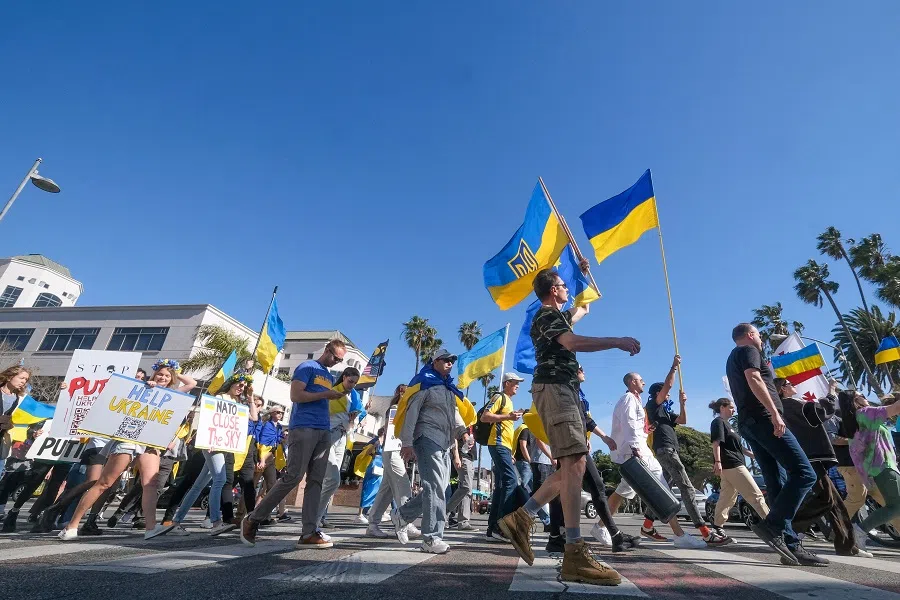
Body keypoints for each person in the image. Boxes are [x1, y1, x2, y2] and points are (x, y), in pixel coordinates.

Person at [498, 267, 640, 586]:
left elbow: (584, 307)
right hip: (556, 389)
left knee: (571, 468)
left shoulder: (558, 315)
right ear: (552, 291)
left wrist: (584, 274)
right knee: (574, 465)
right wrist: (616, 340)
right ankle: (573, 551)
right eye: (563, 286)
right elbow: (572, 341)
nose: (566, 290)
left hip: (564, 391)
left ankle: (522, 518)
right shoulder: (546, 315)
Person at [57, 360, 196, 541]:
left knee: (151, 485)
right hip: (129, 438)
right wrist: (148, 385)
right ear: (153, 374)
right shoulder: (139, 387)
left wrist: (174, 370)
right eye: (160, 374)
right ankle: (72, 525)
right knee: (105, 483)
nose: (163, 377)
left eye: (167, 376)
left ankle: (150, 528)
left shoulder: (172, 394)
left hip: (151, 442)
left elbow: (191, 383)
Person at [726, 323, 822, 566]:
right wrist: (774, 413)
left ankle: (789, 545)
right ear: (749, 335)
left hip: (751, 423)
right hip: (764, 420)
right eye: (758, 334)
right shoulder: (748, 351)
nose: (761, 338)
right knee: (804, 473)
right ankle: (773, 525)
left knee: (776, 483)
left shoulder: (734, 356)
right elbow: (754, 377)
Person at [240, 339, 348, 549]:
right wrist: (326, 394)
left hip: (323, 429)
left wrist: (334, 395)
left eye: (340, 360)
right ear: (326, 350)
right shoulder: (306, 367)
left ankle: (309, 531)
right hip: (303, 427)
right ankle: (253, 519)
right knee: (293, 477)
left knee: (316, 481)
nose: (336, 362)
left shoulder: (328, 375)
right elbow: (296, 395)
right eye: (335, 357)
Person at [605, 372, 708, 549]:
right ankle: (679, 535)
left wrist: (646, 432)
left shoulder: (635, 400)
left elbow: (635, 428)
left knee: (626, 490)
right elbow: (629, 425)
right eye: (640, 380)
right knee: (662, 491)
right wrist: (635, 448)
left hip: (638, 449)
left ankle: (601, 526)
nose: (643, 382)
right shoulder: (629, 399)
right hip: (637, 452)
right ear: (632, 382)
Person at [548, 365, 640, 554]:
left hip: (577, 442)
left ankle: (556, 537)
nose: (584, 372)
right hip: (571, 443)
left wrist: (603, 438)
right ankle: (615, 536)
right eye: (580, 369)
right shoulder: (567, 390)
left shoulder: (576, 392)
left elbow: (585, 420)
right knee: (595, 486)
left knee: (561, 488)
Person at [775, 378, 869, 558]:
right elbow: (821, 412)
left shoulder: (786, 405)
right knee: (827, 499)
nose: (794, 386)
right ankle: (784, 527)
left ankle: (846, 546)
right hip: (812, 457)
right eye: (789, 384)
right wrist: (831, 390)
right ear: (782, 389)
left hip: (810, 457)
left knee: (835, 503)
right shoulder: (791, 404)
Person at [644, 357, 731, 545]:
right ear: (658, 394)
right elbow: (668, 386)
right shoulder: (654, 406)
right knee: (686, 488)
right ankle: (705, 531)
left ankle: (647, 525)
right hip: (666, 450)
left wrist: (683, 403)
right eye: (665, 394)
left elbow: (682, 420)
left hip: (668, 450)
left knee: (662, 490)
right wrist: (674, 368)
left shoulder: (665, 412)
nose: (668, 396)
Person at [390, 349, 466, 554]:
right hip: (426, 436)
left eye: (452, 360)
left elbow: (454, 414)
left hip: (445, 441)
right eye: (446, 360)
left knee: (441, 488)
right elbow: (412, 413)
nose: (450, 363)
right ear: (435, 362)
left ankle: (402, 515)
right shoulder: (424, 382)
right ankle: (431, 538)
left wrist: (463, 432)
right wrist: (407, 442)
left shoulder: (448, 387)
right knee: (435, 487)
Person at [163, 372, 256, 537]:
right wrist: (209, 440)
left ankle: (176, 522)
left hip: (225, 445)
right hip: (212, 444)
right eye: (239, 384)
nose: (241, 388)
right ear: (231, 383)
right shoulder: (220, 397)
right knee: (219, 480)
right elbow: (210, 418)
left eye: (244, 386)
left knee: (198, 486)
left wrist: (250, 397)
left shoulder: (239, 403)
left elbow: (254, 417)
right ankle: (215, 522)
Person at [838, 389, 900, 543]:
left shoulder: (856, 420)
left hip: (880, 468)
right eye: (862, 396)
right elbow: (896, 409)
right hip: (884, 467)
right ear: (855, 402)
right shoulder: (865, 412)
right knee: (895, 506)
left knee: (894, 506)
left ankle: (859, 531)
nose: (866, 398)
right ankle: (860, 531)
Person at [708, 397, 768, 535]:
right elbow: (716, 443)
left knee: (727, 497)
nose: (733, 410)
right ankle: (772, 526)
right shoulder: (718, 422)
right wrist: (717, 462)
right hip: (732, 464)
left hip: (732, 464)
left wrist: (757, 456)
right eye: (731, 407)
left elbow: (740, 448)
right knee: (755, 495)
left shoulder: (728, 425)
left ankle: (717, 527)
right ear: (722, 408)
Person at [366, 384, 419, 539]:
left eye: (406, 392)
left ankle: (373, 524)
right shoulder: (396, 408)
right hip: (392, 449)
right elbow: (392, 434)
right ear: (398, 393)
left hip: (394, 450)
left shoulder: (402, 408)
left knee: (386, 491)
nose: (404, 394)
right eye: (402, 391)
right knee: (403, 485)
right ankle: (406, 522)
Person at [483, 373, 528, 542]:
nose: (518, 385)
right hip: (497, 444)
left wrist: (510, 453)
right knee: (511, 480)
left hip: (504, 447)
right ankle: (501, 527)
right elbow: (485, 416)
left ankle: (492, 528)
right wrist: (508, 416)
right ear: (507, 383)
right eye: (516, 382)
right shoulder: (499, 396)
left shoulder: (509, 401)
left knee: (502, 486)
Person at [316, 367, 361, 528]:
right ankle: (314, 519)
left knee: (331, 481)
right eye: (350, 381)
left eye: (355, 383)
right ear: (344, 377)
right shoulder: (333, 392)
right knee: (332, 480)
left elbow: (356, 416)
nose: (352, 385)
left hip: (342, 436)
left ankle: (320, 517)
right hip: (329, 435)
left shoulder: (354, 396)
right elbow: (325, 412)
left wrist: (354, 417)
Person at [0, 366, 32, 476]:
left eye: (26, 380)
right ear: (10, 377)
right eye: (21, 378)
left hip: (2, 440)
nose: (23, 382)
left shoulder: (17, 398)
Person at [446, 420, 477, 531]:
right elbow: (454, 436)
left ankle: (463, 521)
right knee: (465, 487)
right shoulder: (460, 421)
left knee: (466, 490)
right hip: (462, 456)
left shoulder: (471, 422)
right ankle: (445, 512)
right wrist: (456, 456)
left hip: (468, 456)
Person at [357, 432, 384, 522]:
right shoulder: (375, 441)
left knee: (377, 491)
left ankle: (370, 513)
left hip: (381, 466)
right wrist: (374, 446)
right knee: (368, 489)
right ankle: (360, 514)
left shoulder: (385, 442)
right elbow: (368, 452)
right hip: (374, 464)